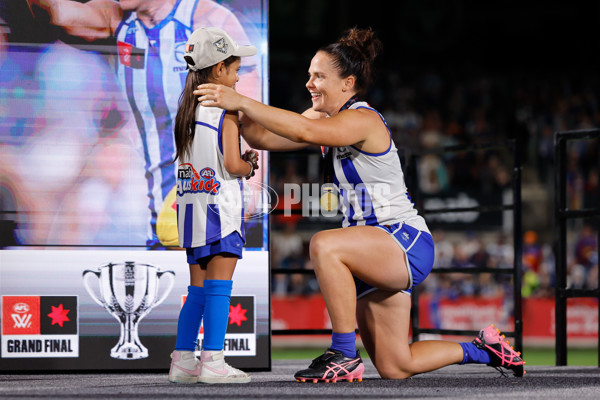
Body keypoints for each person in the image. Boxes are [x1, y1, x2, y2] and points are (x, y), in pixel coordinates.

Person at [195, 27, 526, 381]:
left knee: (324, 244)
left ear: (347, 83)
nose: (309, 83)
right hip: (369, 249)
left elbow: (302, 133)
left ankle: (343, 353)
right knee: (396, 366)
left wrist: (242, 102)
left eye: (319, 76)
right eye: (309, 75)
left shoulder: (362, 119)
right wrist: (230, 107)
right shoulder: (324, 117)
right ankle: (482, 349)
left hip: (401, 240)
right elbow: (263, 136)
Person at [26, 0, 260, 248]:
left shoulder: (211, 21)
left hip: (209, 203)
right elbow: (57, 13)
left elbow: (252, 124)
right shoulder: (117, 20)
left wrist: (243, 201)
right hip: (150, 209)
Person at [167, 27, 259, 384]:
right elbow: (234, 166)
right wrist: (250, 165)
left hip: (191, 213)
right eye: (236, 69)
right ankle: (213, 362)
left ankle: (183, 360)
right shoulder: (226, 112)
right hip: (220, 212)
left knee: (197, 291)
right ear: (219, 70)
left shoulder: (185, 111)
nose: (238, 77)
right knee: (220, 287)